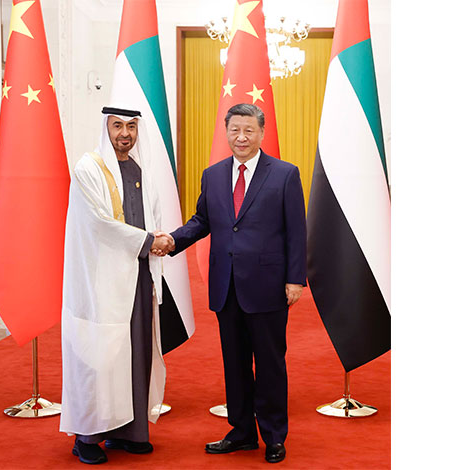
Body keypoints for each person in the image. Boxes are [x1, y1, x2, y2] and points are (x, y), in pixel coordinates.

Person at [156, 103, 306, 464]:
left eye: (248, 130)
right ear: (226, 132)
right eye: (235, 130)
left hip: (269, 286)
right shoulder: (213, 175)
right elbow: (202, 220)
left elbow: (297, 231)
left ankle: (273, 436)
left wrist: (295, 279)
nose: (241, 137)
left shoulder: (285, 174)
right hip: (226, 285)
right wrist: (173, 240)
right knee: (235, 364)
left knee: (270, 364)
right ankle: (241, 432)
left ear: (261, 133)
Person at [60, 106, 174, 465]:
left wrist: (156, 242)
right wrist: (149, 241)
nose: (125, 134)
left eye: (131, 127)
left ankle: (130, 432)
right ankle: (87, 437)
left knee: (136, 353)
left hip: (138, 277)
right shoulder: (89, 168)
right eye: (117, 126)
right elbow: (97, 223)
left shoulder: (141, 170)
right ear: (105, 128)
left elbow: (152, 216)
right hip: (101, 283)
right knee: (101, 356)